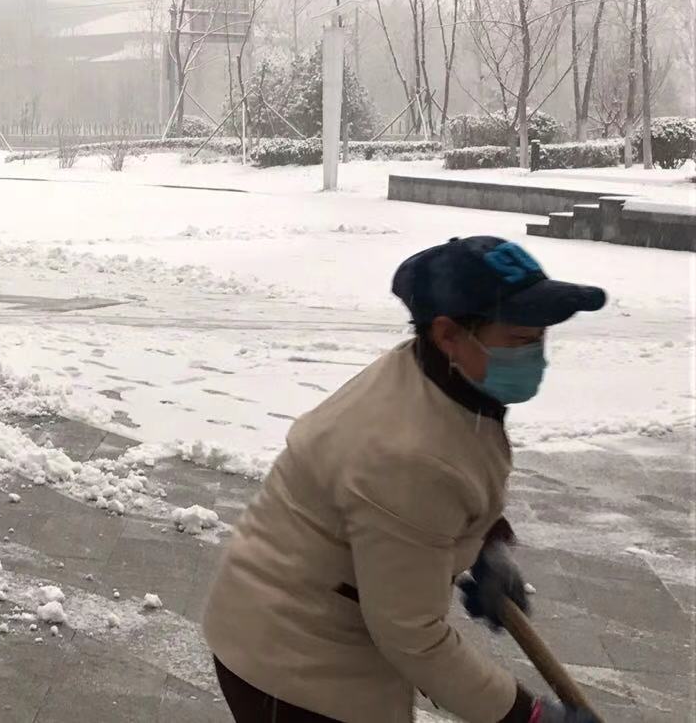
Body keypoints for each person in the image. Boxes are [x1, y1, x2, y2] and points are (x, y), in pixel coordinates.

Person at [202, 236, 607, 723]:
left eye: (541, 337)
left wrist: (486, 545)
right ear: (448, 333)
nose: (537, 355)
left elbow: (451, 481)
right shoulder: (409, 456)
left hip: (307, 621)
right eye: (519, 339)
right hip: (294, 666)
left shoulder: (437, 374)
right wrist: (528, 716)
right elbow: (412, 636)